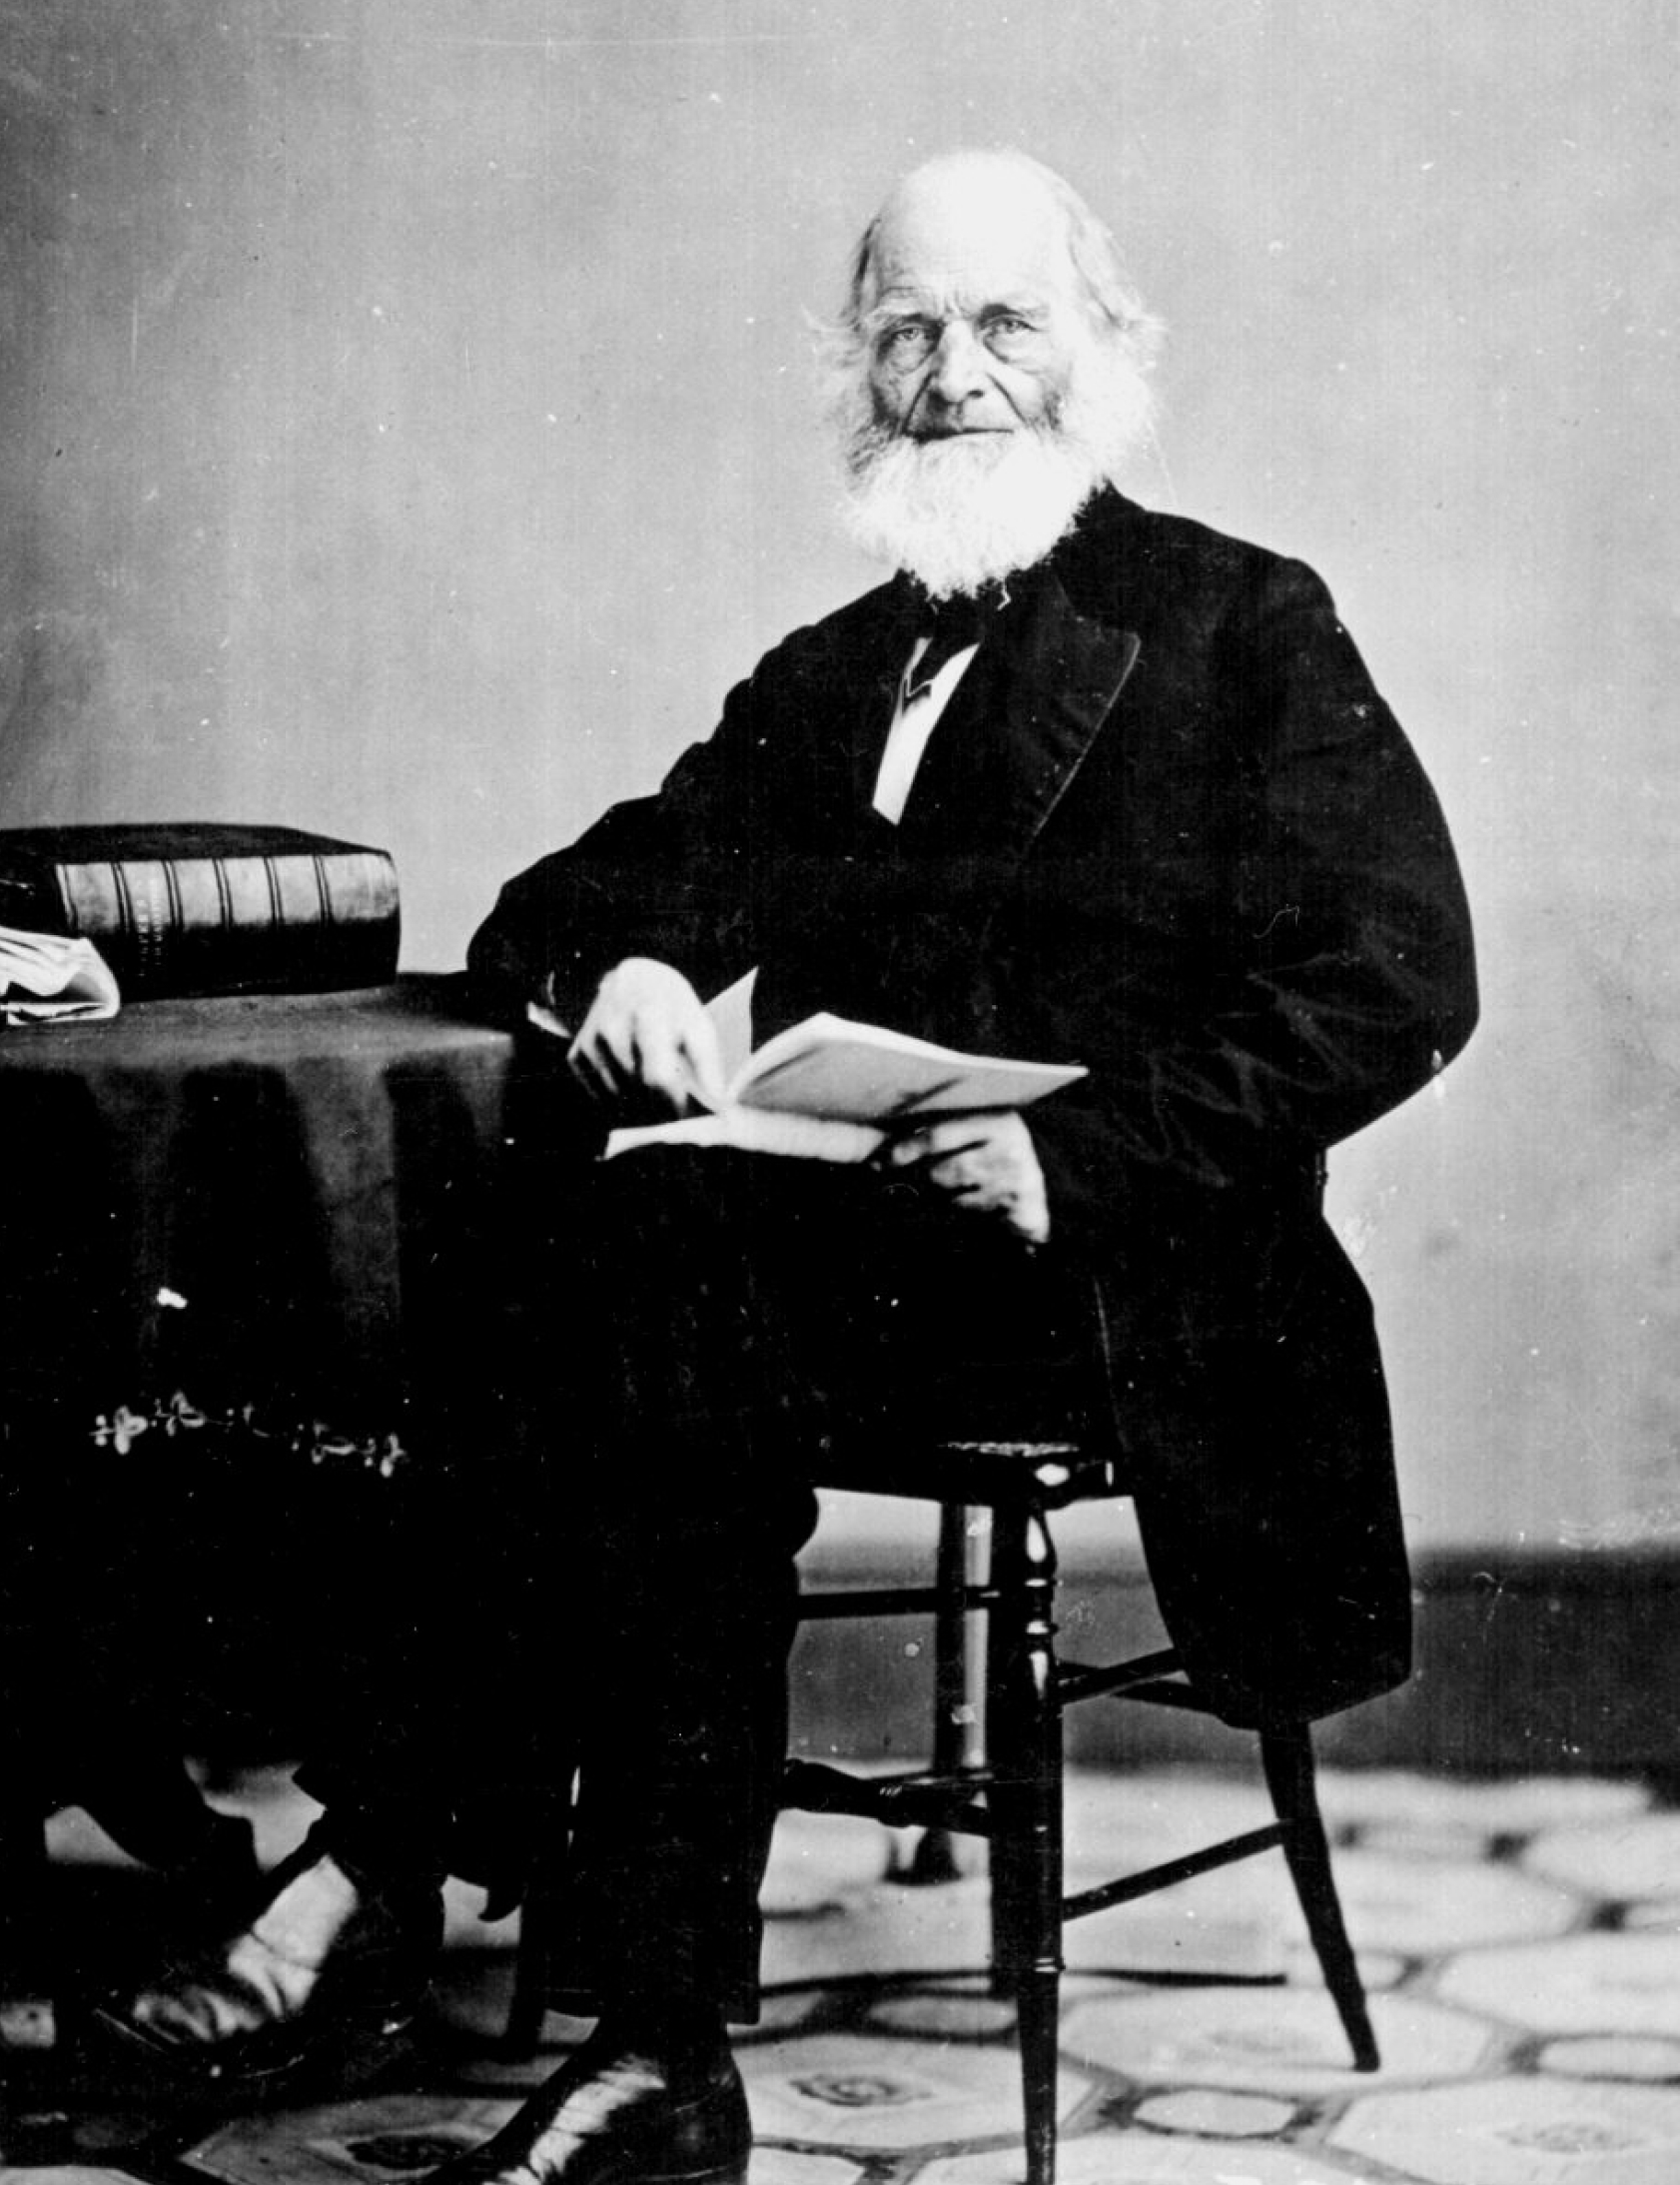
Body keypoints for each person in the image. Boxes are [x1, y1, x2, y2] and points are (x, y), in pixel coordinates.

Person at [98, 148, 1477, 2185]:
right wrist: (630, 961)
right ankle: (626, 2023)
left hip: (1130, 1278)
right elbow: (566, 887)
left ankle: (413, 1883)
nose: (954, 374)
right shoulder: (837, 666)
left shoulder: (1242, 623)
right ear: (857, 367)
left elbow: (1399, 973)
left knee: (638, 1266)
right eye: (906, 328)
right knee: (599, 1220)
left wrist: (1075, 1151)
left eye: (1005, 322)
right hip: (850, 1279)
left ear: (1102, 348)